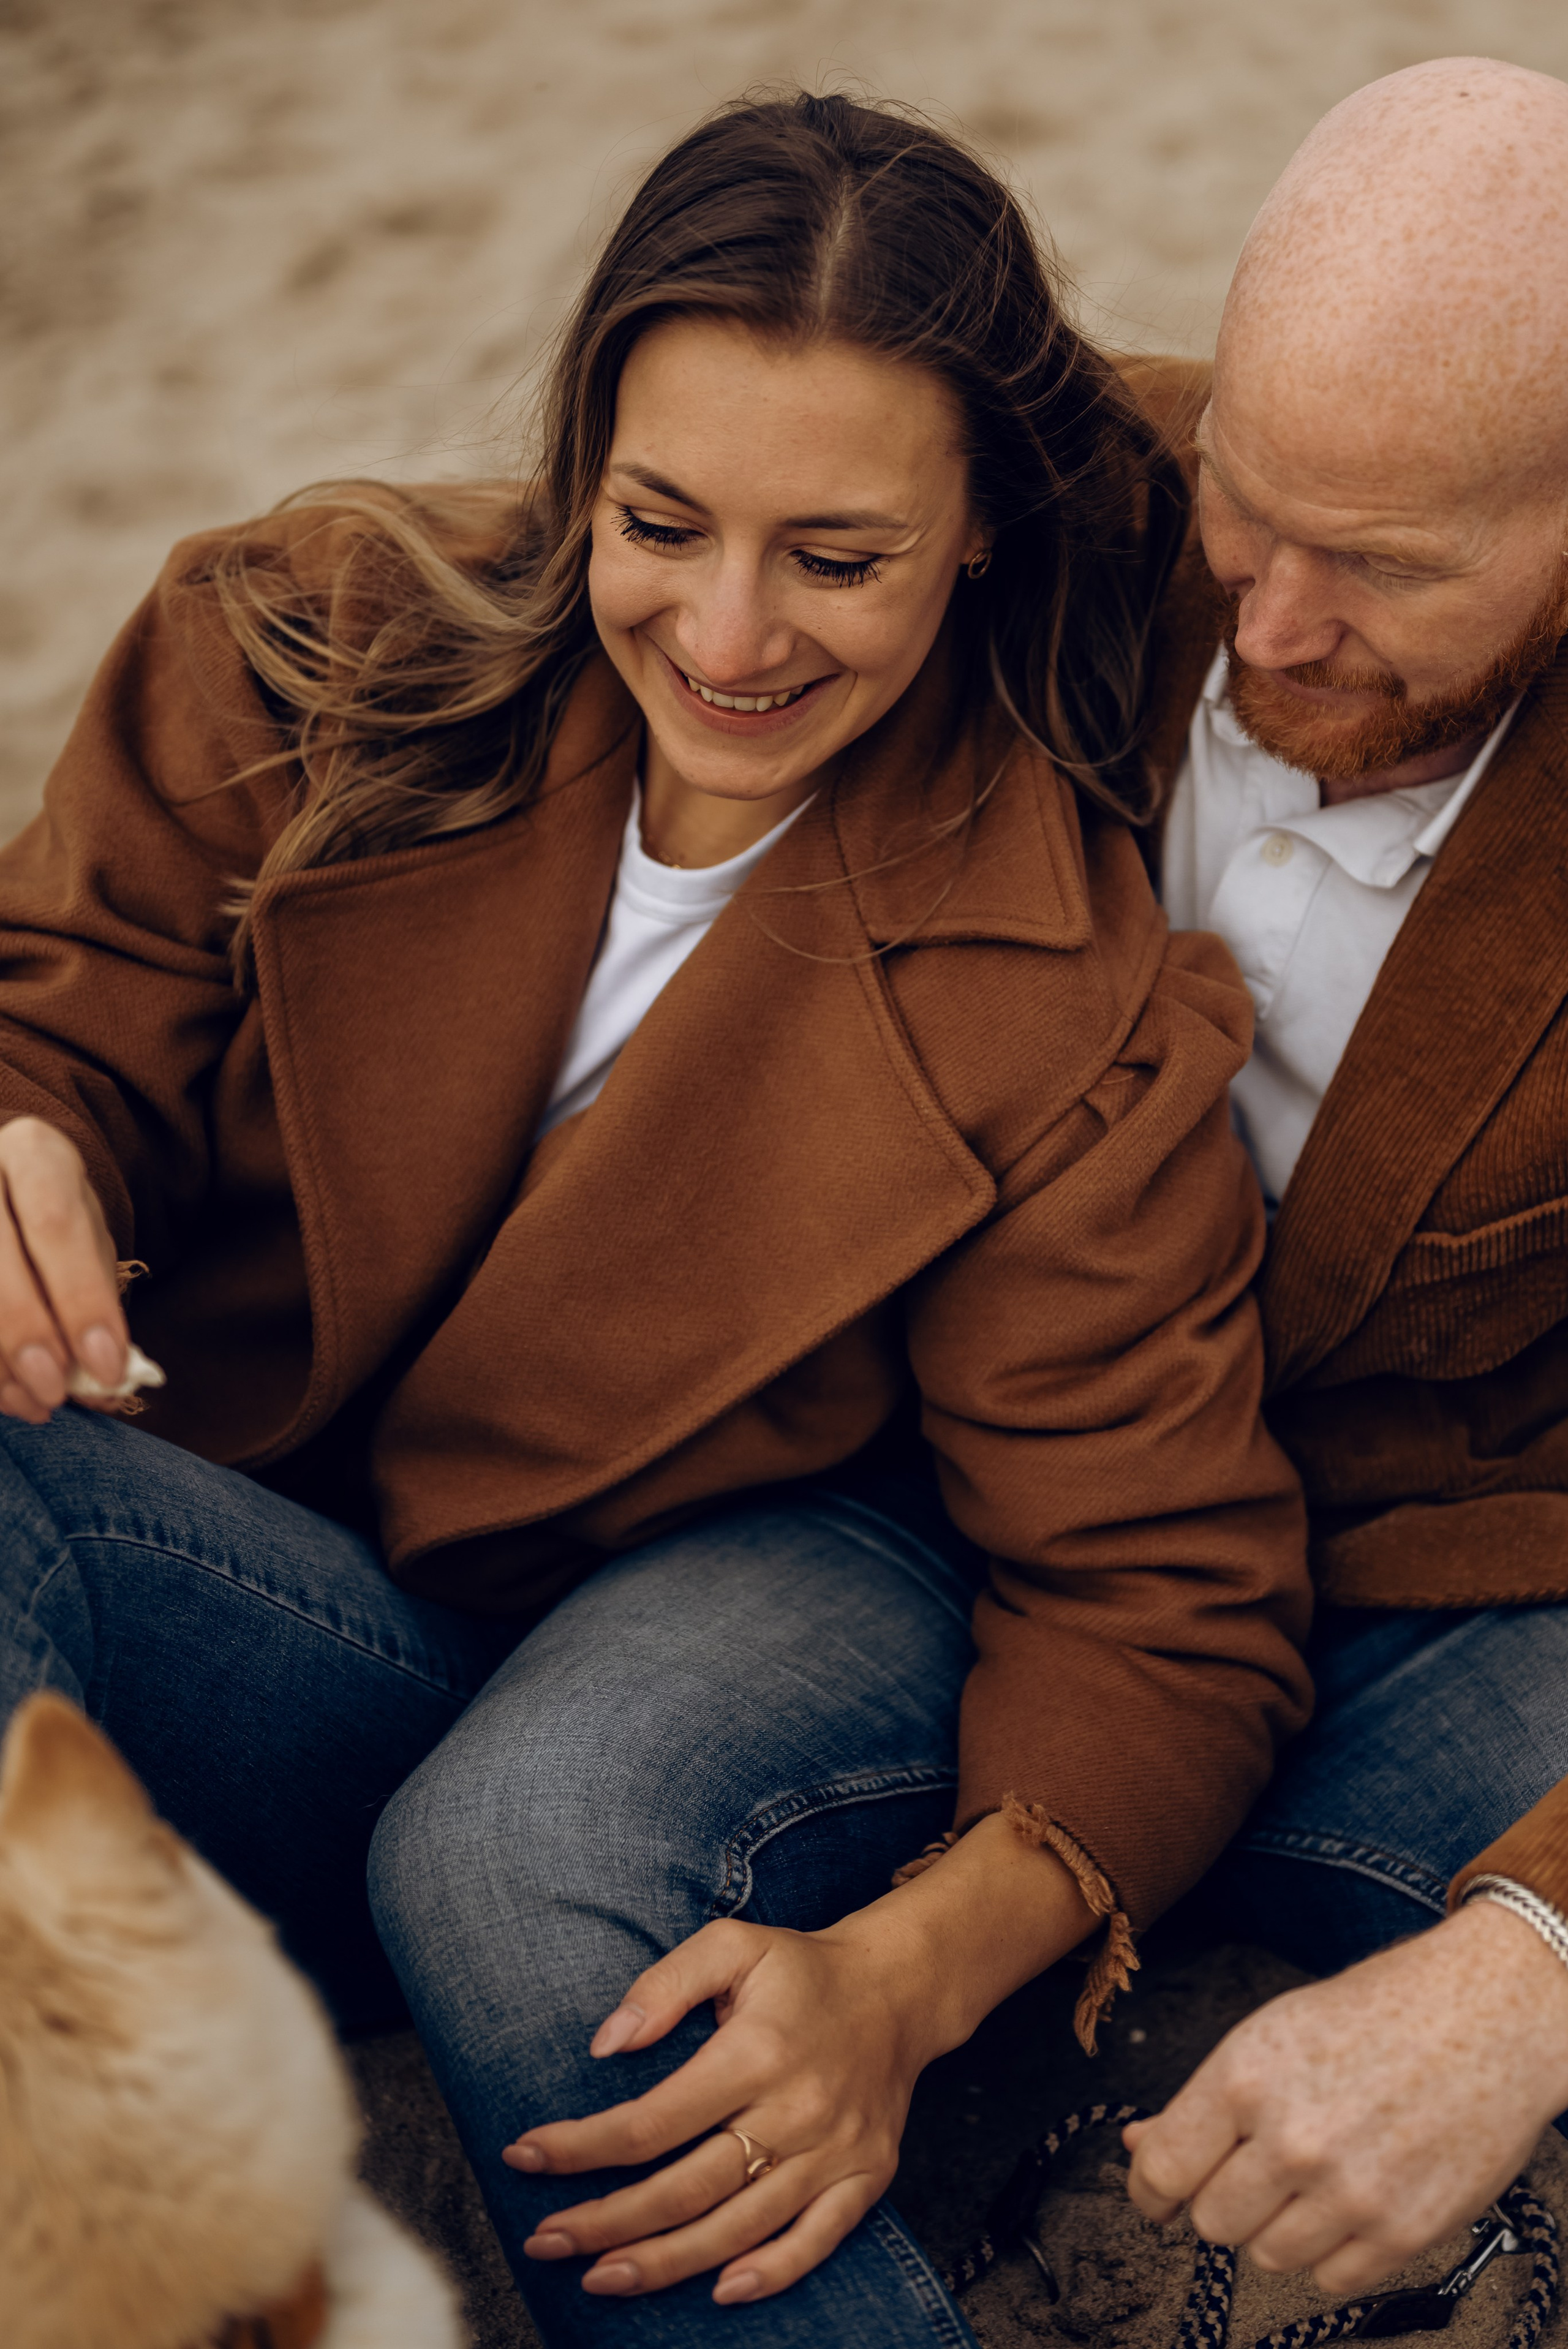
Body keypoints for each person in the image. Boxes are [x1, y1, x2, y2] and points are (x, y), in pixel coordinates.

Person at [0, 91, 1308, 2347]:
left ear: (980, 529)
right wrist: (25, 1133)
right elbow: (62, 1009)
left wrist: (902, 1981)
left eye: (837, 556)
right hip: (251, 1626)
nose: (726, 632)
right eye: (660, 520)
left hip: (671, 1628)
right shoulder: (292, 648)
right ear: (579, 455)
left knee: (514, 1850)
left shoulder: (1065, 1000)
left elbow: (1166, 1610)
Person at [1123, 54, 1568, 2306]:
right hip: (1014, 1539)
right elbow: (369, 607)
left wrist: (1540, 1954)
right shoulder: (1050, 486)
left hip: (1483, 1611)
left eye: (1385, 566)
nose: (1271, 627)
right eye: (1245, 507)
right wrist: (44, 1084)